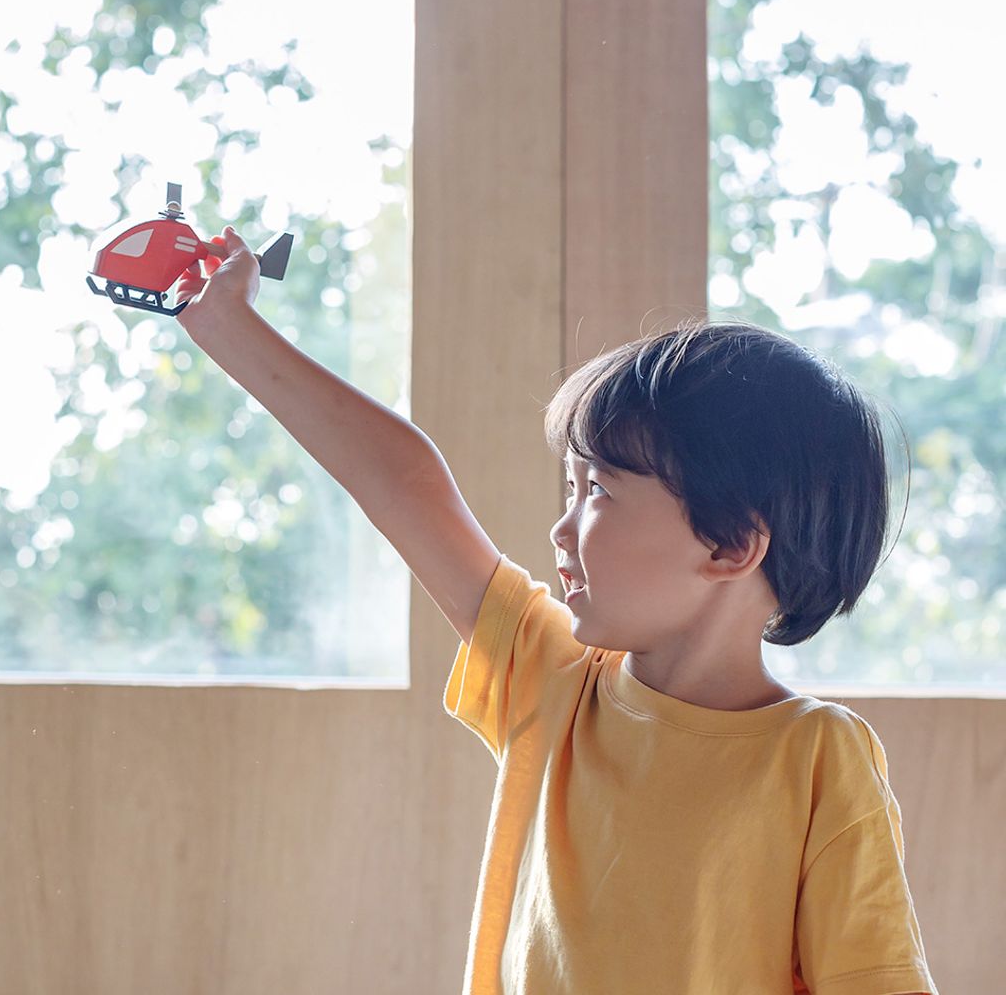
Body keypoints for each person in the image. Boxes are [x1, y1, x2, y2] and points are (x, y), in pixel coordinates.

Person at [176, 229, 938, 995]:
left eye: (598, 490)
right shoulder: (556, 681)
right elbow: (404, 484)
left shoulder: (817, 758)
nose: (561, 530)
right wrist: (230, 326)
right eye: (569, 489)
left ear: (731, 544)